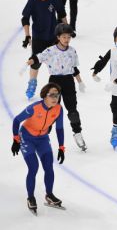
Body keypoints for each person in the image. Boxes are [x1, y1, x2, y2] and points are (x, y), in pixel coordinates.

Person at [27, 23, 87, 151]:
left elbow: (74, 68)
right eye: (64, 37)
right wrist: (31, 60)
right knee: (51, 109)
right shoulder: (51, 50)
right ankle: (42, 135)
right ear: (58, 37)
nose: (67, 40)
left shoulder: (72, 51)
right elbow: (39, 57)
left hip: (68, 81)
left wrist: (80, 82)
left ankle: (78, 133)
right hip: (54, 82)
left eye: (69, 37)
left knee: (72, 109)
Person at [11, 83, 66, 214]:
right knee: (33, 167)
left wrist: (61, 147)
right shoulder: (33, 108)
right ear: (44, 96)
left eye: (57, 95)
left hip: (42, 139)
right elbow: (16, 120)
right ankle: (30, 197)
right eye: (52, 95)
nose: (55, 98)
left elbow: (59, 128)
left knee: (49, 166)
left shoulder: (59, 109)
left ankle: (49, 195)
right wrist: (16, 139)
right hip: (27, 137)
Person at [21, 0, 67, 100]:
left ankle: (57, 87)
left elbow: (62, 13)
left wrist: (67, 29)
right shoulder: (32, 1)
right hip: (39, 38)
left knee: (58, 63)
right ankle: (32, 84)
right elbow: (25, 19)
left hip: (53, 37)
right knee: (35, 62)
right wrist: (27, 35)